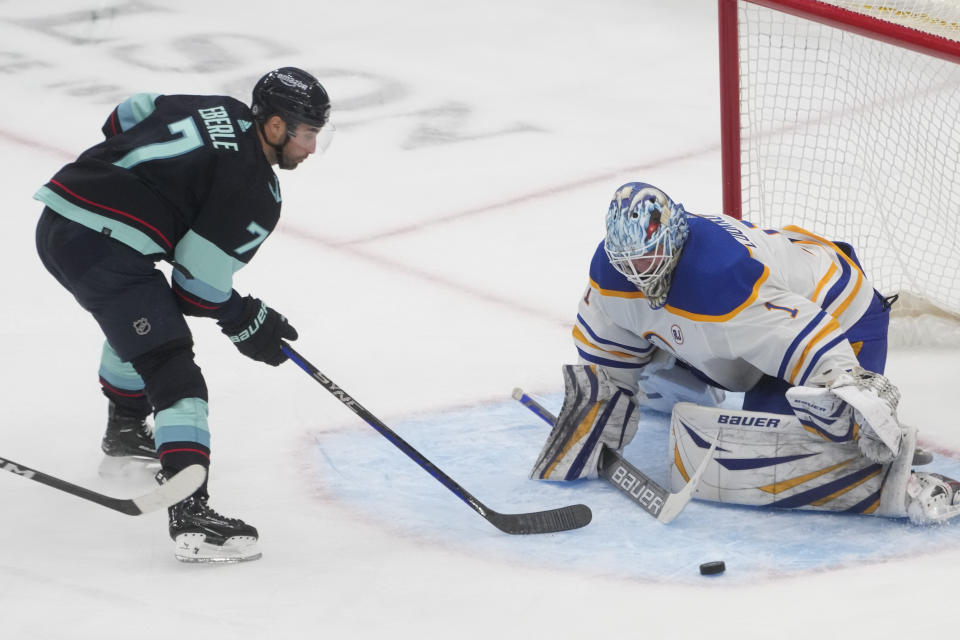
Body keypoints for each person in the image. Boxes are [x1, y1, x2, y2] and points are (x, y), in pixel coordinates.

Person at [34, 67, 333, 562]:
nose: (311, 148)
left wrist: (145, 186)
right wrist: (246, 319)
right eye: (307, 135)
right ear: (276, 127)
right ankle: (190, 511)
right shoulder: (255, 190)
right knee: (173, 368)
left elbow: (126, 114)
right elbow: (197, 289)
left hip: (58, 218)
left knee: (150, 318)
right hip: (106, 251)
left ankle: (127, 430)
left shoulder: (217, 108)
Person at [530, 181, 960, 524]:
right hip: (752, 335)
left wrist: (850, 391)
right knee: (650, 361)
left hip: (840, 318)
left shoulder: (721, 276)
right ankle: (690, 390)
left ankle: (908, 487)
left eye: (649, 258)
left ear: (674, 236)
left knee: (756, 458)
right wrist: (590, 422)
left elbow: (809, 336)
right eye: (630, 262)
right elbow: (607, 367)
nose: (640, 275)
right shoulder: (612, 273)